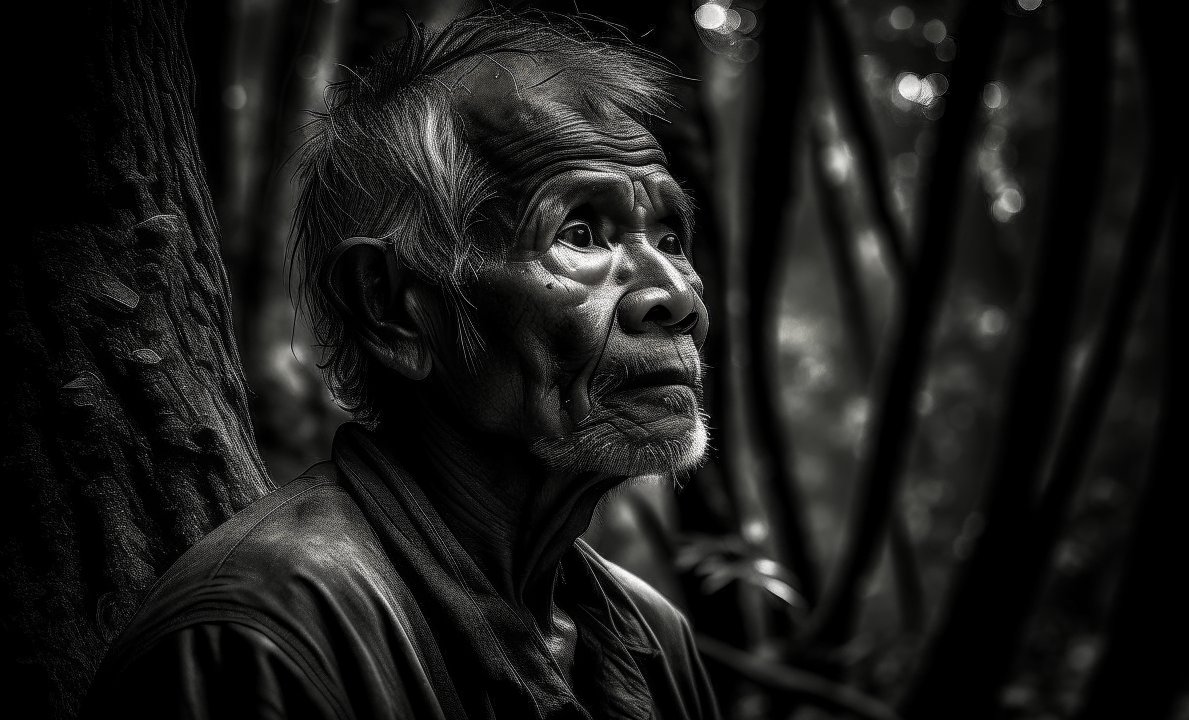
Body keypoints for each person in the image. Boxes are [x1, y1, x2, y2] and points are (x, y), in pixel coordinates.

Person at [86, 12, 719, 720]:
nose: (676, 296)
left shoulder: (654, 640)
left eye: (671, 235)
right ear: (391, 308)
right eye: (577, 232)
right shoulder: (254, 639)